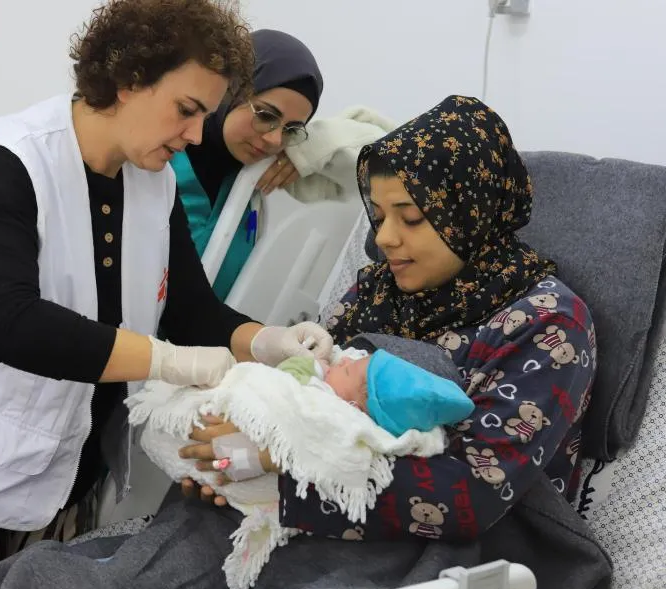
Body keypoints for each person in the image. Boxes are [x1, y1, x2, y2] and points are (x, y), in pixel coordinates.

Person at [0, 0, 333, 567]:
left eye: (204, 114)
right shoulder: (5, 163)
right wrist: (168, 363)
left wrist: (269, 342)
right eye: (186, 110)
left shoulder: (150, 180)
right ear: (129, 78)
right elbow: (7, 322)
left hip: (68, 473)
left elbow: (191, 310)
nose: (193, 134)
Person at [182, 95, 598, 544]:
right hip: (304, 521)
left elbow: (473, 497)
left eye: (412, 217)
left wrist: (285, 458)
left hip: (463, 556)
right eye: (377, 217)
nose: (384, 238)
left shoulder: (547, 323)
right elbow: (307, 393)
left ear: (470, 211)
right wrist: (227, 466)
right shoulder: (375, 291)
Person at [172, 29, 324, 300]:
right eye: (265, 115)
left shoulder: (258, 183)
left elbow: (382, 156)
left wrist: (312, 152)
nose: (274, 139)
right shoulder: (157, 160)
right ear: (230, 90)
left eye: (291, 130)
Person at [276, 349, 474, 437]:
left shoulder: (326, 401)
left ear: (354, 407)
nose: (344, 361)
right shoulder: (344, 390)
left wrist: (315, 366)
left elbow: (284, 380)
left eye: (347, 370)